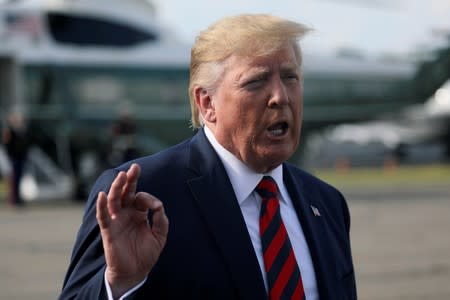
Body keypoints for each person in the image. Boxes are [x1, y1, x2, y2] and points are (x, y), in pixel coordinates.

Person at [59, 14, 357, 300]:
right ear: (207, 103)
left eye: (290, 77)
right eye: (256, 81)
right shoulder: (139, 197)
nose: (280, 96)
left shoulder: (327, 204)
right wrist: (119, 284)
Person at [2, 111, 30, 207]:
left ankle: (18, 197)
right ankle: (14, 199)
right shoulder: (9, 131)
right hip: (14, 158)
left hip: (21, 158)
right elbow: (7, 145)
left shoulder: (22, 131)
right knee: (13, 179)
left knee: (19, 178)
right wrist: (10, 156)